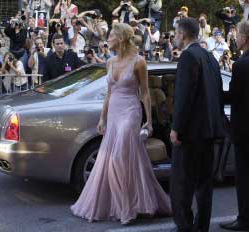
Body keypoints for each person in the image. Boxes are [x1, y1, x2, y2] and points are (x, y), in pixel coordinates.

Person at [70, 22, 172, 224]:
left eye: (111, 36)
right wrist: (102, 117)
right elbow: (109, 93)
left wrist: (149, 122)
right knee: (116, 159)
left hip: (131, 112)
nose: (107, 39)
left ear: (122, 38)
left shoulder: (139, 62)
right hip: (114, 113)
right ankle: (127, 204)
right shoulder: (110, 62)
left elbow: (144, 92)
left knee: (117, 158)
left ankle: (127, 208)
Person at [169, 17, 225, 232]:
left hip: (191, 134)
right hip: (209, 131)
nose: (174, 37)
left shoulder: (187, 57)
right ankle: (201, 227)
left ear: (183, 34)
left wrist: (176, 128)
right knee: (204, 185)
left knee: (182, 184)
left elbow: (184, 97)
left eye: (175, 33)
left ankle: (184, 226)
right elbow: (217, 92)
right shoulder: (210, 57)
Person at [219, 21, 249, 231]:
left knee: (244, 176)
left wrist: (213, 92)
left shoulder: (240, 65)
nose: (235, 38)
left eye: (237, 34)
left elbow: (235, 97)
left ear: (245, 38)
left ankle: (244, 219)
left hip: (244, 131)